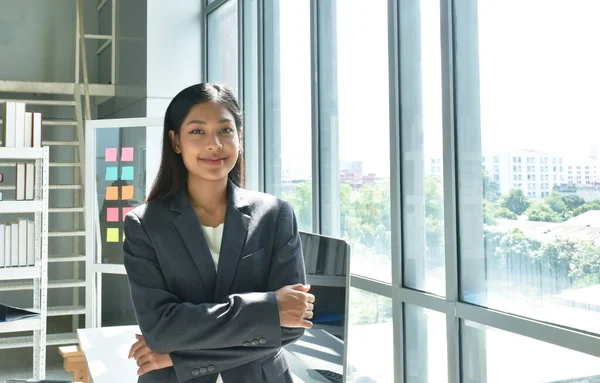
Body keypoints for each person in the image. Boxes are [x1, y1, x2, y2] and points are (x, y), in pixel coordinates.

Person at [122, 83, 315, 383]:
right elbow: (160, 330)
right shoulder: (144, 224)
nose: (214, 144)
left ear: (239, 137)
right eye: (197, 132)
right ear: (175, 141)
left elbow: (292, 323)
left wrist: (180, 356)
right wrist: (268, 308)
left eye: (225, 130)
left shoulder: (275, 215)